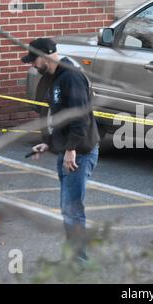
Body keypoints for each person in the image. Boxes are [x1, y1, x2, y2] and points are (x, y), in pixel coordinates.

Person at [21, 37, 100, 262]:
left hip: (79, 154)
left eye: (33, 60)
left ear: (46, 56)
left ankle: (79, 263)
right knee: (68, 209)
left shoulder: (71, 77)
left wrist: (71, 150)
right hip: (67, 149)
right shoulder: (53, 77)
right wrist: (50, 143)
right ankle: (74, 258)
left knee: (73, 210)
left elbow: (80, 117)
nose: (32, 65)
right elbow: (60, 119)